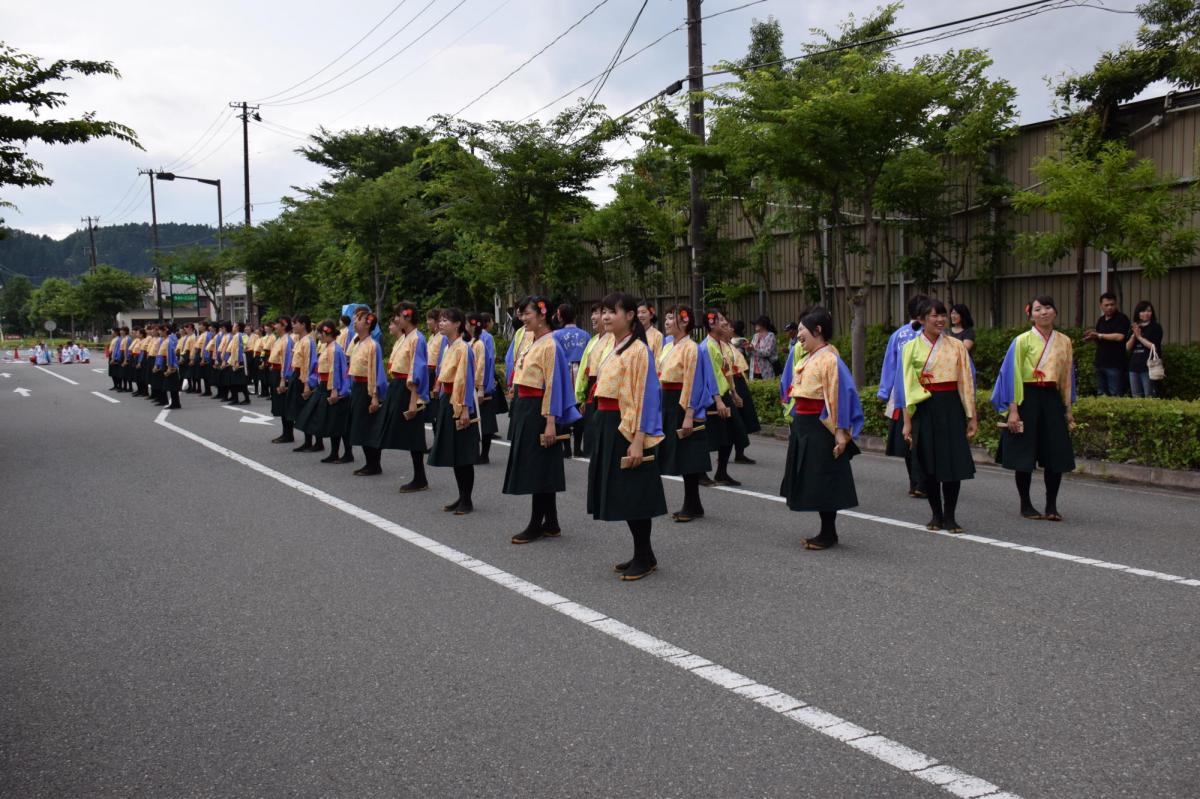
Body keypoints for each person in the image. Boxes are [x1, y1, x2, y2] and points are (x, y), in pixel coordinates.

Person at [588, 292, 668, 581]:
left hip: (626, 426)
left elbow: (647, 397)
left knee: (634, 493)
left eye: (613, 312)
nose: (606, 317)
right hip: (608, 422)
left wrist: (637, 440)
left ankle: (644, 555)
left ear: (631, 315)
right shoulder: (613, 345)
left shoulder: (639, 351)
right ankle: (643, 554)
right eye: (604, 311)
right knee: (624, 492)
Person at [779, 306, 864, 550]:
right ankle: (827, 531)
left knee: (823, 479)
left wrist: (839, 430)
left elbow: (840, 395)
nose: (798, 336)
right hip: (804, 425)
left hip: (819, 426)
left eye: (802, 330)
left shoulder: (829, 358)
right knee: (814, 479)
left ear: (817, 330)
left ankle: (828, 533)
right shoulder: (809, 356)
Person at [504, 296, 581, 544]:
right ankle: (552, 521)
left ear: (542, 315)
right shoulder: (531, 340)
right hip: (526, 406)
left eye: (527, 313)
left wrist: (550, 421)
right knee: (541, 465)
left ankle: (537, 523)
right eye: (521, 314)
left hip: (540, 409)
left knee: (538, 466)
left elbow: (553, 385)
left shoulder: (551, 344)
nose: (522, 318)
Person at [992, 296, 1076, 522]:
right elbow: (1012, 374)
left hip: (1051, 397)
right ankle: (1026, 504)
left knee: (1055, 452)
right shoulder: (1021, 341)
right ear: (1031, 315)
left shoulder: (1065, 342)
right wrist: (1013, 409)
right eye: (1038, 309)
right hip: (1026, 397)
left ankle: (1051, 505)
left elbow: (1067, 376)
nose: (1044, 312)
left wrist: (1067, 408)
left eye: (1048, 307)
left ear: (1055, 312)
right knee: (1024, 453)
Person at [900, 299, 977, 533]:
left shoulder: (956, 346)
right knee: (929, 463)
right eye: (934, 316)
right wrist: (907, 422)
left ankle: (951, 516)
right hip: (924, 406)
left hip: (951, 405)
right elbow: (906, 385)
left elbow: (966, 382)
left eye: (943, 315)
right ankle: (936, 514)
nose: (940, 319)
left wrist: (972, 416)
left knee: (951, 463)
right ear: (922, 319)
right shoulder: (910, 348)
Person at [657, 304, 719, 522]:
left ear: (684, 321)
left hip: (683, 403)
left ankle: (691, 505)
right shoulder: (668, 346)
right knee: (681, 454)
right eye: (665, 318)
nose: (666, 322)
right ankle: (694, 504)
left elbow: (693, 381)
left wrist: (689, 413)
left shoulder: (691, 348)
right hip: (668, 401)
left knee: (687, 455)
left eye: (670, 318)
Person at [372, 302, 430, 492]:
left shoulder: (417, 339)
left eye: (398, 315)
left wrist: (414, 399)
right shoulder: (405, 338)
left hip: (408, 388)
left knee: (414, 433)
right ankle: (418, 476)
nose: (396, 319)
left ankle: (420, 477)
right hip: (398, 386)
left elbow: (417, 369)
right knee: (400, 431)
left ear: (407, 316)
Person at [429, 308, 480, 514]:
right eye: (440, 320)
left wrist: (466, 408)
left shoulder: (464, 348)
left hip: (460, 402)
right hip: (447, 400)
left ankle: (467, 500)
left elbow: (466, 380)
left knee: (463, 454)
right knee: (454, 452)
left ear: (458, 324)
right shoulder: (447, 346)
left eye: (446, 320)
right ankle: (461, 495)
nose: (441, 323)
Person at [878, 294, 929, 498]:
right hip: (924, 394)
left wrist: (885, 391)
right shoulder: (926, 335)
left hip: (901, 394)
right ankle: (921, 481)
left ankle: (914, 481)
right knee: (921, 438)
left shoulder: (898, 335)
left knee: (908, 439)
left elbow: (889, 365)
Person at [699, 310, 737, 486]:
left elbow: (726, 371)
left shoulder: (721, 344)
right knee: (707, 437)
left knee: (730, 434)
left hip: (723, 394)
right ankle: (700, 472)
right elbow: (710, 376)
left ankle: (721, 472)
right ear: (711, 324)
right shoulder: (706, 346)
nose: (724, 323)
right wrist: (718, 400)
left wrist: (733, 392)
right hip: (712, 397)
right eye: (720, 320)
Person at [347, 311, 388, 475]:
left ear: (368, 323)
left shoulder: (373, 345)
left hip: (368, 389)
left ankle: (374, 464)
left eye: (359, 320)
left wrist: (374, 396)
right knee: (360, 425)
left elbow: (376, 372)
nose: (354, 322)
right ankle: (369, 462)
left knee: (369, 426)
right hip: (357, 387)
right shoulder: (357, 343)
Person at [574, 303, 612, 458]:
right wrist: (581, 396)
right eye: (594, 313)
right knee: (590, 429)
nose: (593, 317)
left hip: (604, 388)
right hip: (591, 387)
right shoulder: (593, 340)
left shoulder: (613, 339)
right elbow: (584, 369)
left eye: (598, 313)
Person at [725, 320, 760, 465]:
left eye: (728, 326)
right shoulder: (719, 345)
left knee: (743, 418)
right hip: (730, 383)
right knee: (732, 421)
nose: (727, 328)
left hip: (739, 381)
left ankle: (740, 452)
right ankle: (725, 457)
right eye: (725, 326)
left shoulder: (733, 344)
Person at [468, 312, 500, 464]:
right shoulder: (468, 341)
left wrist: (482, 386)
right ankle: (474, 451)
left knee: (485, 421)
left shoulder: (482, 340)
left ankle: (484, 453)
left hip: (480, 385)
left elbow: (484, 364)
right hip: (470, 385)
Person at [285, 316, 321, 453]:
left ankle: (317, 442)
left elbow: (308, 363)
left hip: (303, 377)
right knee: (300, 410)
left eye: (295, 323)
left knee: (308, 410)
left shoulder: (308, 341)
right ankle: (308, 441)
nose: (293, 326)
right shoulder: (299, 340)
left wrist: (306, 384)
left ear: (303, 325)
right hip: (297, 375)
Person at [1084, 292, 1131, 396]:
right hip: (1100, 362)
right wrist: (1092, 337)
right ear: (1101, 306)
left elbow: (1120, 337)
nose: (1109, 307)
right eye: (1106, 305)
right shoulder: (1101, 320)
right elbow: (1100, 339)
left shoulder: (1122, 318)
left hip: (1115, 364)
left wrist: (1099, 335)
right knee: (1101, 394)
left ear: (1116, 304)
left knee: (1115, 394)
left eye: (1112, 304)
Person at [1126, 300, 1163, 398]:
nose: (1146, 313)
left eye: (1149, 311)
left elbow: (1154, 347)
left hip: (1149, 367)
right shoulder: (1134, 327)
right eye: (1142, 311)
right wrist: (1134, 335)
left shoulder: (1155, 327)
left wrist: (1140, 337)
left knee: (1149, 395)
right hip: (1134, 367)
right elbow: (1128, 347)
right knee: (1136, 396)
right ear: (1138, 313)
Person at [269, 317, 296, 444]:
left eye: (277, 324)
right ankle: (285, 432)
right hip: (276, 372)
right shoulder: (280, 339)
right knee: (280, 404)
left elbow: (286, 362)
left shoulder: (287, 340)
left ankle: (288, 433)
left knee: (284, 404)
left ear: (284, 326)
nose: (275, 326)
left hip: (281, 374)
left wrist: (283, 379)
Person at [155, 323, 183, 410]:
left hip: (169, 364)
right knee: (171, 385)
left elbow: (171, 355)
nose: (159, 332)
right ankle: (175, 403)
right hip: (166, 362)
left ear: (165, 330)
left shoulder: (169, 341)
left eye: (160, 330)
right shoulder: (165, 340)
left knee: (172, 385)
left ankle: (175, 403)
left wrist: (170, 367)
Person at [750, 316, 777, 380]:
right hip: (753, 369)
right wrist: (748, 349)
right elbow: (750, 353)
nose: (755, 325)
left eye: (757, 324)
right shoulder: (755, 336)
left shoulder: (770, 336)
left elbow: (767, 352)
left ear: (763, 325)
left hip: (766, 369)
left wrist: (753, 349)